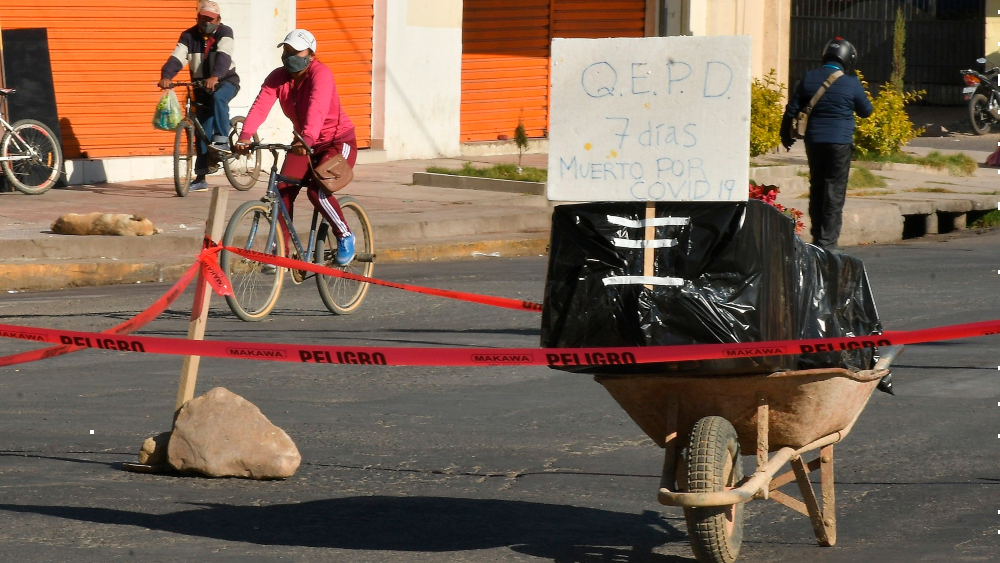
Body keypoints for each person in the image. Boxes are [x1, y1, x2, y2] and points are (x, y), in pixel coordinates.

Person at [235, 29, 358, 266]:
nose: (290, 56)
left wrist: (307, 138)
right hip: (304, 143)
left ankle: (344, 234)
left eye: (296, 52)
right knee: (282, 190)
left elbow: (317, 108)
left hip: (336, 141)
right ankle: (280, 248)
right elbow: (261, 105)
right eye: (286, 51)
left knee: (317, 190)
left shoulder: (321, 74)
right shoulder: (278, 77)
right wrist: (245, 136)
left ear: (311, 55)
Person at [781, 38, 873, 250]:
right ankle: (828, 242)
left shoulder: (809, 77)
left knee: (817, 187)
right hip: (840, 143)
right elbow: (866, 111)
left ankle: (816, 238)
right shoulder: (851, 82)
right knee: (834, 191)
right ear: (847, 59)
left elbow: (791, 109)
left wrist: (785, 135)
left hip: (815, 142)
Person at [158, 0, 240, 192]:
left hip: (225, 81)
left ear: (218, 20)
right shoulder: (188, 36)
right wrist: (166, 76)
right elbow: (177, 56)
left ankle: (222, 140)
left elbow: (224, 55)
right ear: (197, 18)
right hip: (201, 87)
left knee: (219, 98)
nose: (207, 22)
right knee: (201, 130)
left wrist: (216, 76)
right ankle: (201, 177)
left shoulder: (225, 32)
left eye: (211, 19)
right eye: (203, 18)